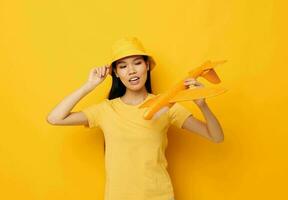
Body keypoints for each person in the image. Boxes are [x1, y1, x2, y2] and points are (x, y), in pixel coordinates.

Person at [47, 36, 224, 200]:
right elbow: (55, 118)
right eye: (123, 66)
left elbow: (216, 137)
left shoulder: (167, 105)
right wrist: (89, 85)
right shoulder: (106, 110)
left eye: (137, 63)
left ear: (147, 66)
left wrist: (202, 105)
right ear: (116, 73)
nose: (131, 71)